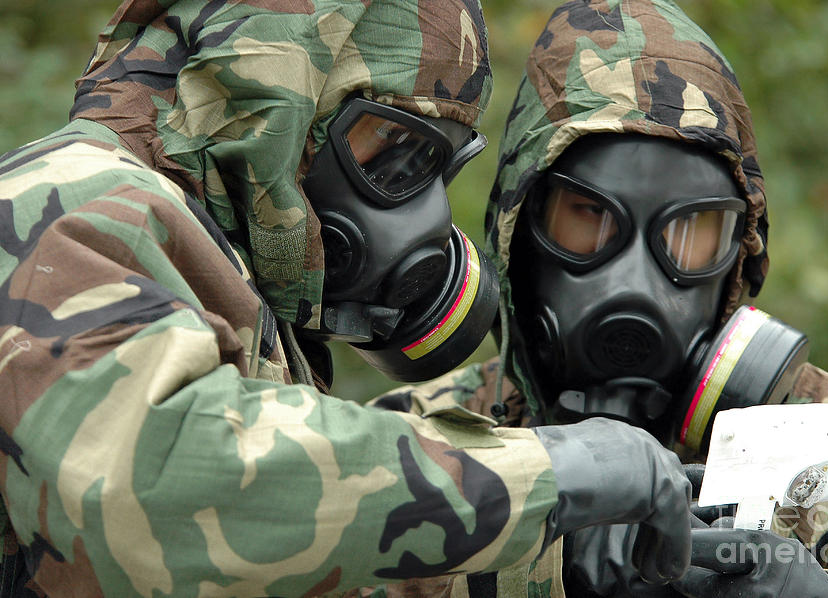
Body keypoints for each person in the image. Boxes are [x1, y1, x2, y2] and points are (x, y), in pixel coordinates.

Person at [0, 0, 698, 595]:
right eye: (395, 148)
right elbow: (157, 492)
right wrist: (553, 472)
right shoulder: (74, 198)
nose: (423, 215)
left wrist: (567, 561)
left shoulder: (223, 275)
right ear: (276, 95)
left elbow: (285, 552)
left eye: (436, 168)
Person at [370, 0, 828, 596]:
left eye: (689, 230)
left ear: (738, 254)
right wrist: (528, 572)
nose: (634, 284)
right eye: (592, 217)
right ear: (517, 233)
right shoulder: (409, 448)